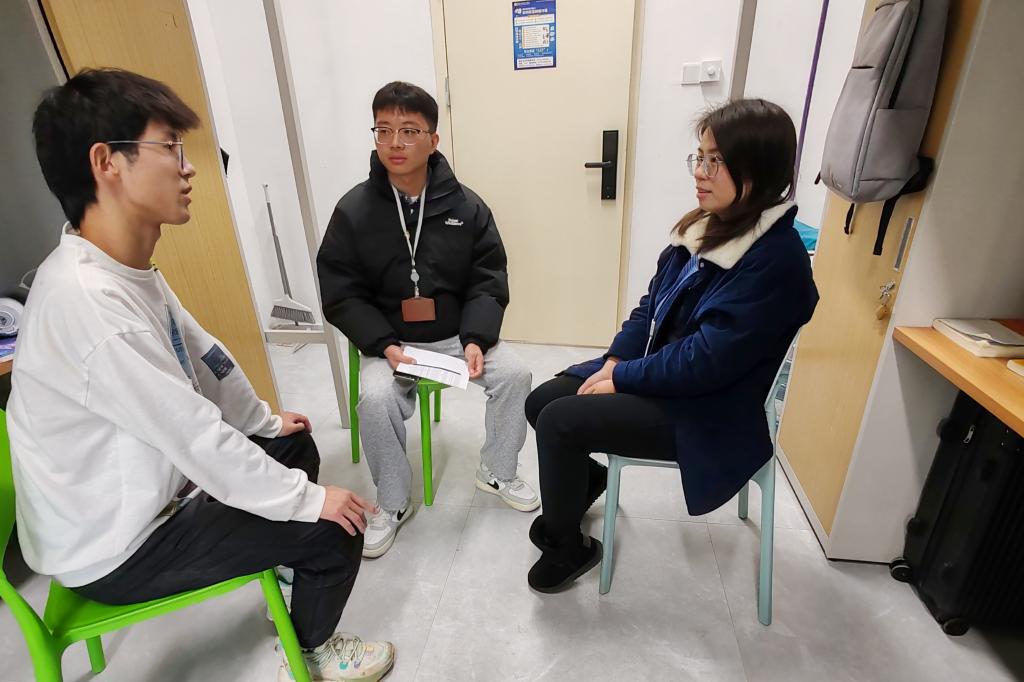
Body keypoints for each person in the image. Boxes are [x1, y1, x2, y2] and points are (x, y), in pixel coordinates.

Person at [8, 68, 393, 681]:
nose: (188, 169)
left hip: (149, 492)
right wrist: (310, 502)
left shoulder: (123, 268)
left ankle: (285, 570)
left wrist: (265, 423)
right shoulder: (89, 303)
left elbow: (207, 357)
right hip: (113, 545)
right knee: (332, 530)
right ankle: (311, 651)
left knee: (291, 444)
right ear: (107, 163)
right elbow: (195, 436)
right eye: (170, 147)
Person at [523, 99, 819, 593]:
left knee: (560, 421)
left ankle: (567, 545)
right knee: (542, 401)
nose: (700, 172)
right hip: (664, 373)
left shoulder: (775, 260)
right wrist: (617, 359)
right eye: (699, 157)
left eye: (715, 161)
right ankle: (585, 481)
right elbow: (650, 308)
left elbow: (706, 361)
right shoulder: (706, 226)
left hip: (708, 408)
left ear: (757, 168)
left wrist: (622, 377)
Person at [317, 81, 538, 559]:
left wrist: (476, 338)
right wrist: (384, 345)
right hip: (390, 343)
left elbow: (487, 278)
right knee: (375, 398)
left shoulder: (467, 206)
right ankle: (394, 500)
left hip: (457, 337)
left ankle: (497, 469)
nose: (395, 143)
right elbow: (341, 291)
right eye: (384, 130)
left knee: (516, 374)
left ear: (433, 140)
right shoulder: (354, 210)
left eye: (409, 130)